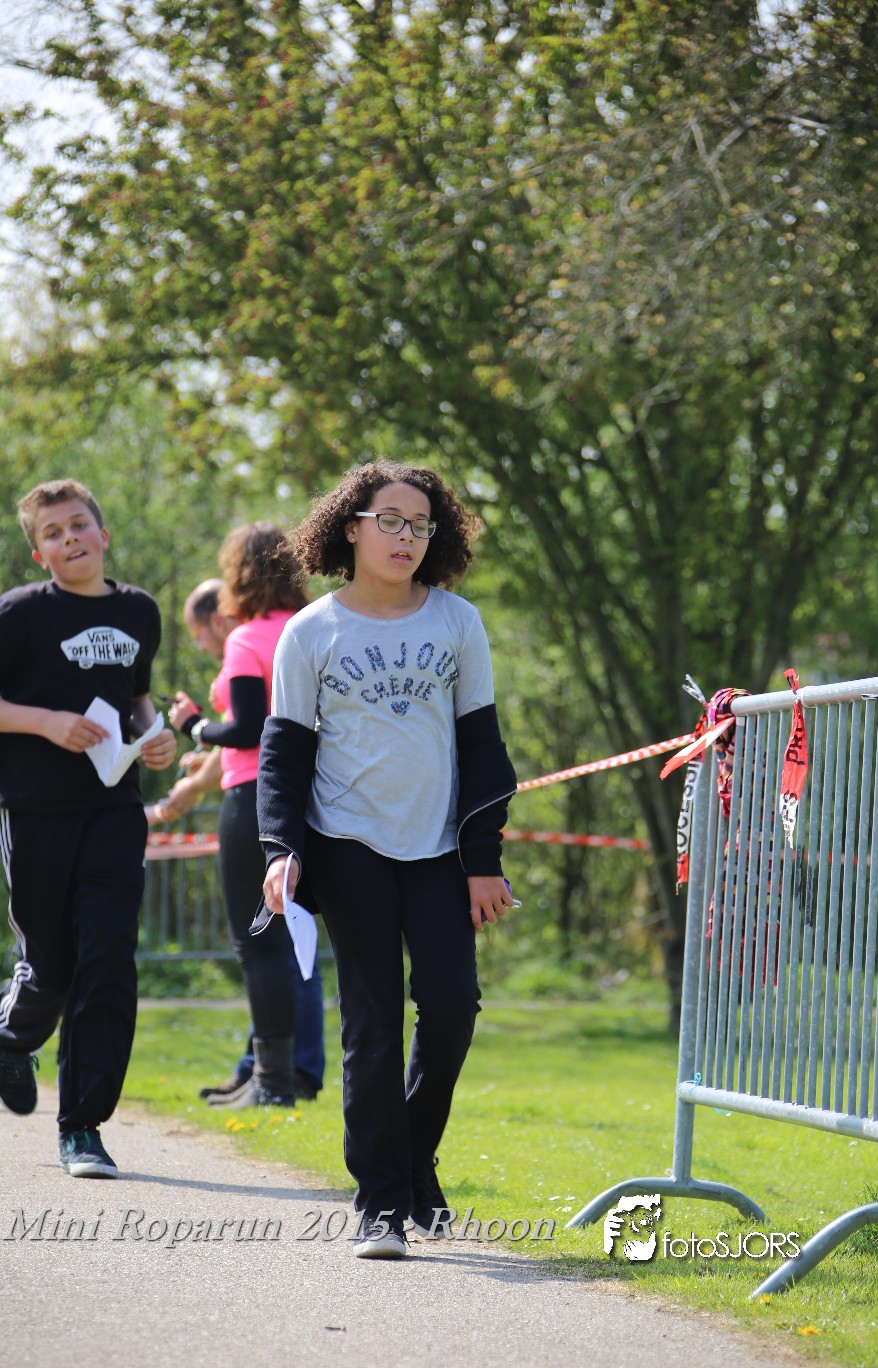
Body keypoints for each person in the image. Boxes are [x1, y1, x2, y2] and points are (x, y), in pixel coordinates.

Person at [258, 461, 517, 1260]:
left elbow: (483, 749)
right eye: (391, 521)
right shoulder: (312, 632)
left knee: (452, 1003)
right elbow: (283, 756)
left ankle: (412, 1158)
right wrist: (281, 850)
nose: (407, 537)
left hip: (440, 850)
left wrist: (483, 860)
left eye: (421, 525)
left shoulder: (457, 622)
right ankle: (379, 1205)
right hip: (347, 848)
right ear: (352, 527)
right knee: (371, 1024)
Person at [0, 478, 176, 1177]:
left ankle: (82, 1127)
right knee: (51, 967)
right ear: (39, 554)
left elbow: (138, 699)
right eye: (53, 533)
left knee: (107, 960)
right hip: (33, 810)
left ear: (102, 534)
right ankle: (12, 1039)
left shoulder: (139, 610)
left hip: (113, 810)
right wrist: (45, 722)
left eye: (78, 525)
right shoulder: (17, 614)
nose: (69, 538)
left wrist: (156, 737)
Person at [169, 529, 324, 1107]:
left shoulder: (246, 639)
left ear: (238, 576)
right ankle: (277, 1077)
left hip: (254, 796)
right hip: (318, 796)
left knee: (258, 945)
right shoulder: (318, 626)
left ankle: (273, 1083)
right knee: (298, 940)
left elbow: (248, 729)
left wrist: (192, 725)